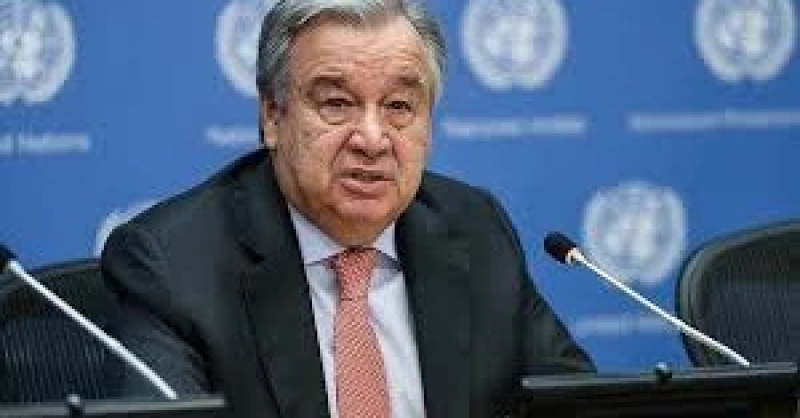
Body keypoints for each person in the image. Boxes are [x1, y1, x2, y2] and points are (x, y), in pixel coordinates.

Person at [101, 1, 595, 417]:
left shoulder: (474, 227)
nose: (372, 140)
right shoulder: (171, 265)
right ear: (272, 115)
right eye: (337, 103)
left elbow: (579, 403)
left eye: (399, 107)